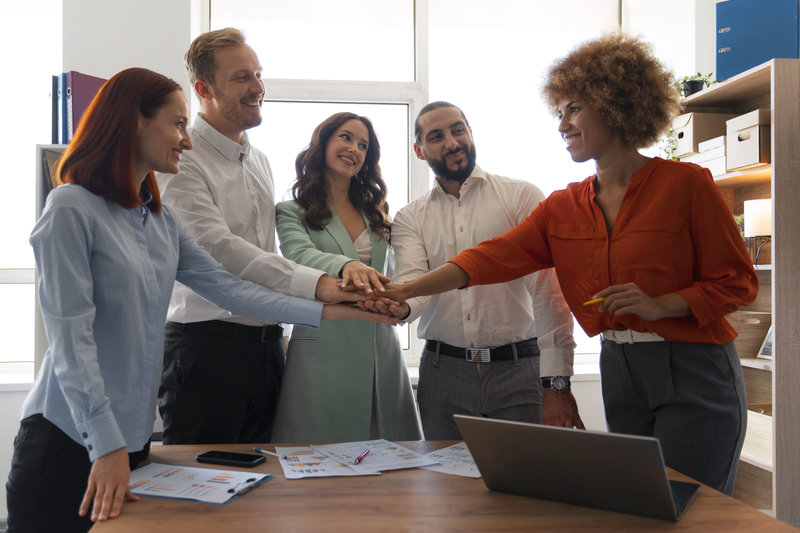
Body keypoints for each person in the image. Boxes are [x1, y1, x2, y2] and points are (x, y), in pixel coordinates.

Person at [5, 68, 394, 533]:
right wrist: (105, 447)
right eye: (178, 124)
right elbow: (71, 340)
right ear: (133, 122)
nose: (186, 142)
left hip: (129, 445)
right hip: (69, 440)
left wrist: (331, 309)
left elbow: (230, 289)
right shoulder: (71, 207)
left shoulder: (161, 222)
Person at [381, 34, 758, 494]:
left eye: (573, 109)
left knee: (695, 506)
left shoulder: (687, 184)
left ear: (615, 104)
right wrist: (402, 292)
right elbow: (486, 260)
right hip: (620, 366)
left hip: (694, 365)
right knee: (641, 504)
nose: (562, 124)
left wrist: (665, 304)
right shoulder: (564, 206)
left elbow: (738, 282)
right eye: (558, 112)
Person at [156, 28, 362, 445]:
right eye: (242, 77)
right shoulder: (182, 161)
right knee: (201, 490)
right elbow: (221, 251)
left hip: (266, 348)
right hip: (206, 350)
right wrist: (320, 286)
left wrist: (279, 336)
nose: (258, 87)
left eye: (258, 74)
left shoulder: (261, 162)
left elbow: (266, 253)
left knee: (262, 491)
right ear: (203, 88)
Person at [381, 101, 581, 440]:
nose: (452, 142)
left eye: (458, 130)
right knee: (447, 489)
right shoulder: (410, 217)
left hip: (520, 370)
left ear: (471, 133)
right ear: (419, 150)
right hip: (443, 374)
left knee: (526, 485)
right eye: (436, 136)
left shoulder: (521, 196)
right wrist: (400, 305)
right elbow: (414, 283)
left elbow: (549, 295)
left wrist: (558, 384)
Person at [271, 112, 422, 442]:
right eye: (346, 137)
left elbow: (395, 275)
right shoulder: (290, 211)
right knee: (316, 465)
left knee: (389, 465)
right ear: (323, 142)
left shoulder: (377, 215)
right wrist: (345, 265)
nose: (354, 148)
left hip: (381, 348)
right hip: (323, 349)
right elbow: (298, 255)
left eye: (363, 145)